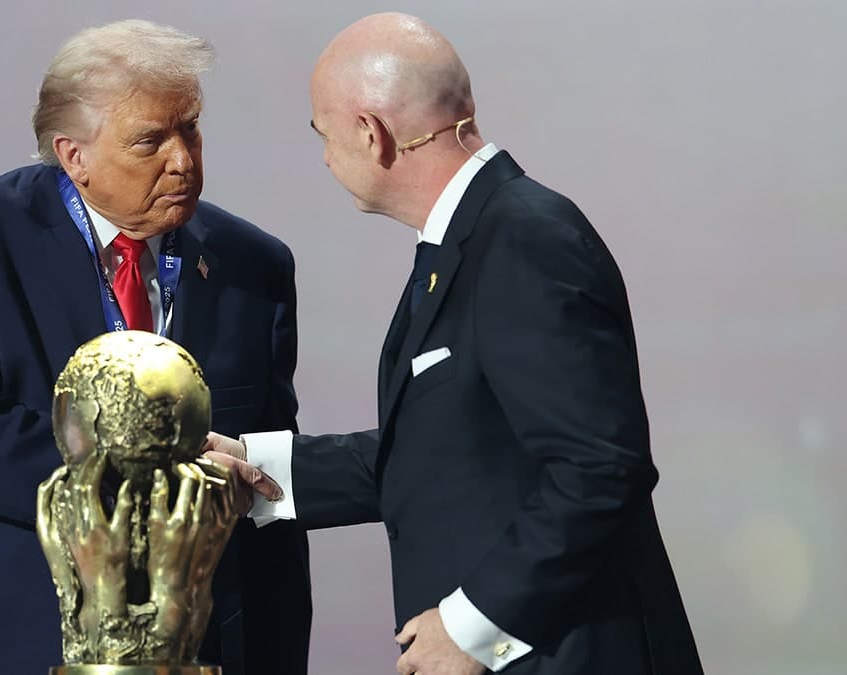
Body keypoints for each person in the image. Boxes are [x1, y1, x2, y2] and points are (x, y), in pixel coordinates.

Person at [206, 12, 703, 675]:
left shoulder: (523, 239)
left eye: (322, 133)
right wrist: (258, 467)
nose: (325, 156)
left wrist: (474, 624)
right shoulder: (470, 238)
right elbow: (451, 450)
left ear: (370, 132)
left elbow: (598, 468)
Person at [0, 20, 311, 675]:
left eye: (191, 129)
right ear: (74, 156)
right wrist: (150, 475)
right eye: (151, 140)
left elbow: (263, 492)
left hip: (190, 650)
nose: (182, 159)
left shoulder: (253, 265)